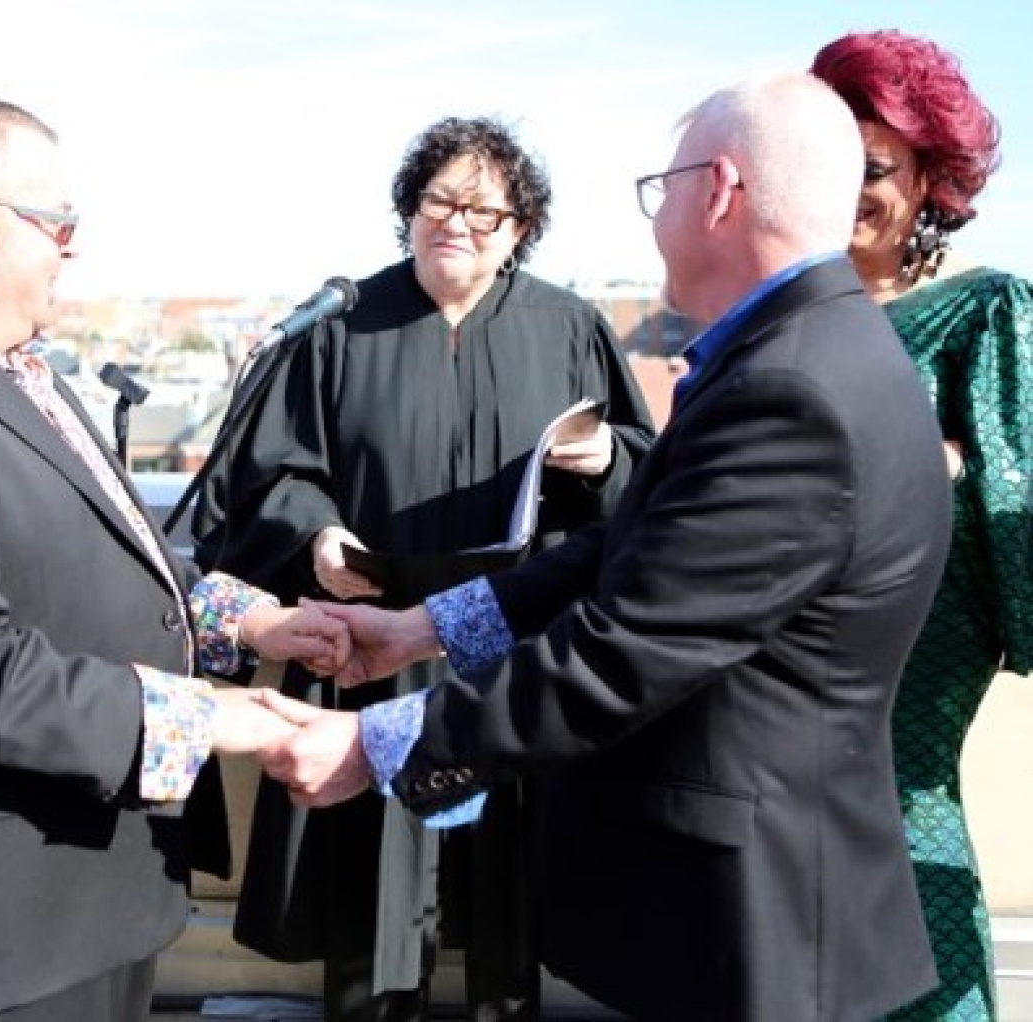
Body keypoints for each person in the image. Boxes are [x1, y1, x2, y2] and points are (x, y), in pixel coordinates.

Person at [252, 72, 955, 1022]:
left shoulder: (792, 392)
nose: (655, 217)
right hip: (754, 902)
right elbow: (631, 549)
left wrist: (375, 742)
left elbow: (628, 644)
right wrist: (420, 629)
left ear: (719, 191)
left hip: (763, 923)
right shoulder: (810, 352)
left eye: (662, 191)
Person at [0, 91, 348, 1022]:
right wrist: (216, 718)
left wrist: (255, 619)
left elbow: (113, 558)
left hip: (106, 880)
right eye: (58, 222)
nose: (72, 245)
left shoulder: (17, 371)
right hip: (14, 925)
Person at [192, 116, 654, 1022]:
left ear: (520, 228)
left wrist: (599, 459)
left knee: (509, 884)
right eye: (441, 201)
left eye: (487, 211)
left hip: (512, 644)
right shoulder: (340, 324)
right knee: (368, 886)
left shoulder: (570, 326)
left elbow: (646, 477)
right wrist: (317, 534)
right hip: (371, 639)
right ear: (408, 211)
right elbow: (272, 474)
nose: (459, 223)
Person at [811, 30, 1033, 1022]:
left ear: (930, 177)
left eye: (875, 165)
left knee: (906, 840)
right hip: (766, 672)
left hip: (907, 666)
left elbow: (1011, 500)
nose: (848, 186)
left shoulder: (983, 310)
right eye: (826, 162)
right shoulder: (777, 320)